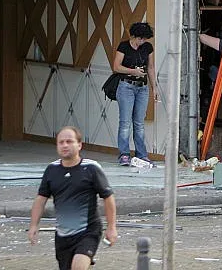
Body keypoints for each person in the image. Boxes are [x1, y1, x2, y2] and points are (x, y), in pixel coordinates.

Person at [28, 126, 117, 270]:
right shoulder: (52, 170)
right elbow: (41, 199)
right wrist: (33, 225)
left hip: (88, 231)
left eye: (69, 141)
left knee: (78, 266)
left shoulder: (91, 168)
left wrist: (111, 228)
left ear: (79, 145)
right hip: (63, 235)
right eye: (61, 142)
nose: (65, 145)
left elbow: (108, 197)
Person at [111, 22, 160, 166]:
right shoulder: (124, 46)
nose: (142, 41)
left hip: (142, 87)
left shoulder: (147, 48)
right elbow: (116, 67)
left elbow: (150, 67)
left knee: (139, 122)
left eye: (145, 39)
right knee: (125, 122)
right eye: (140, 39)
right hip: (126, 85)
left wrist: (154, 87)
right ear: (133, 36)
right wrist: (133, 71)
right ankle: (124, 154)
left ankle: (142, 154)